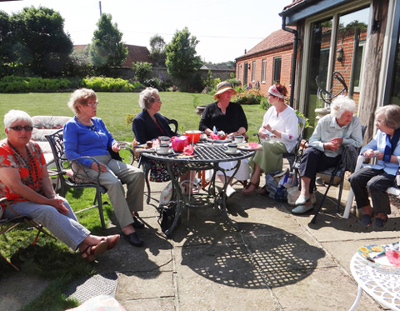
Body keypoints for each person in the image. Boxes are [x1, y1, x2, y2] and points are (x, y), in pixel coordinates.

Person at [0, 110, 120, 262]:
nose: (24, 131)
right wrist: (48, 201)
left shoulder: (34, 147)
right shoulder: (2, 151)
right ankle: (93, 240)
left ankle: (86, 250)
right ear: (7, 130)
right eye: (17, 128)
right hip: (11, 203)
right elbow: (16, 187)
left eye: (28, 128)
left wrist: (52, 195)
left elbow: (44, 176)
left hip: (35, 196)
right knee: (47, 210)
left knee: (61, 201)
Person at [63, 88, 145, 247]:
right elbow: (70, 153)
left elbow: (110, 138)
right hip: (85, 166)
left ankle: (129, 213)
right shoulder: (72, 126)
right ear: (79, 106)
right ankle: (127, 228)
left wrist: (113, 144)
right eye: (90, 104)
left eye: (95, 103)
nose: (95, 106)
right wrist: (91, 163)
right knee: (114, 183)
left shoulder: (98, 121)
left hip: (107, 161)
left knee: (137, 174)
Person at [293, 95, 363, 214]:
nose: (350, 117)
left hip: (339, 158)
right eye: (347, 115)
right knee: (309, 153)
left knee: (309, 164)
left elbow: (358, 142)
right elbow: (313, 141)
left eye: (351, 114)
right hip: (322, 153)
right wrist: (325, 145)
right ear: (337, 114)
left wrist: (343, 141)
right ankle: (304, 194)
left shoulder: (354, 121)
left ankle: (307, 202)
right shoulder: (324, 121)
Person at [242, 83, 299, 195]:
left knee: (265, 146)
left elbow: (292, 136)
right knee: (258, 146)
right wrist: (261, 132)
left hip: (286, 144)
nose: (267, 97)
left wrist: (273, 131)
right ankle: (268, 182)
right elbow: (263, 126)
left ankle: (255, 180)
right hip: (269, 142)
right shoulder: (271, 110)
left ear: (277, 98)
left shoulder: (290, 114)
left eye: (269, 95)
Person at [349, 105, 400, 227]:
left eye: (379, 121)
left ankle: (381, 214)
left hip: (395, 172)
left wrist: (389, 158)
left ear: (391, 123)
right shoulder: (381, 134)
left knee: (375, 184)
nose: (376, 124)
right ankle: (367, 209)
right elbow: (368, 147)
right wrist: (367, 152)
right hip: (380, 167)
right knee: (355, 178)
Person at [199, 81, 250, 196]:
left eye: (230, 91)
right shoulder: (210, 108)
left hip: (233, 141)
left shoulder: (237, 107)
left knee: (235, 158)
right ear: (219, 94)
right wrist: (212, 133)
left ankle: (227, 188)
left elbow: (244, 126)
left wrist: (236, 133)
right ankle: (228, 188)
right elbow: (202, 126)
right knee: (220, 157)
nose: (229, 94)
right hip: (215, 142)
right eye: (226, 92)